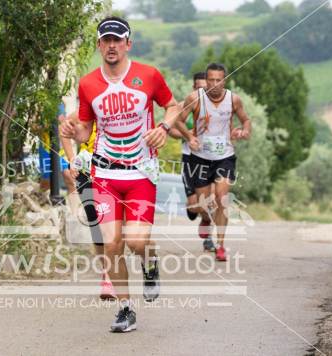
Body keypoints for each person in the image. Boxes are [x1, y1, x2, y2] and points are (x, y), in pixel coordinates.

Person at [60, 16, 177, 332]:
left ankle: (150, 264)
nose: (112, 46)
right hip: (105, 174)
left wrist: (164, 128)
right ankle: (126, 309)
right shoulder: (87, 84)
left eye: (117, 40)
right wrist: (75, 129)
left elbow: (174, 106)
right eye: (106, 40)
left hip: (140, 174)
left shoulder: (148, 75)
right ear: (99, 45)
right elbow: (85, 131)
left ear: (128, 43)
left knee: (137, 241)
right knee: (111, 243)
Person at [171, 63, 251, 262]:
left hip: (225, 156)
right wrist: (189, 137)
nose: (215, 84)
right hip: (200, 158)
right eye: (211, 80)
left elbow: (246, 120)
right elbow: (179, 121)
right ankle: (206, 218)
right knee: (205, 203)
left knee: (222, 197)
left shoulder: (234, 100)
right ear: (206, 81)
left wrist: (244, 131)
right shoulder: (195, 99)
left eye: (219, 80)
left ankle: (221, 245)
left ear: (225, 80)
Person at [59, 113, 115, 300]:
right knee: (96, 224)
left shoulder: (118, 114)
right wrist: (71, 158)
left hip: (112, 172)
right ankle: (105, 272)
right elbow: (63, 131)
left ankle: (109, 277)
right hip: (86, 172)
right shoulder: (81, 115)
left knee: (109, 224)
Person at [168, 72, 215, 252]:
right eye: (198, 87)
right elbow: (170, 129)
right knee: (194, 204)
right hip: (189, 159)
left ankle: (208, 234)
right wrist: (188, 136)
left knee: (208, 201)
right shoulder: (184, 106)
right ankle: (196, 212)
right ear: (193, 88)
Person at [37, 103, 76, 198]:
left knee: (70, 179)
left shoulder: (62, 103)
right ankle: (41, 198)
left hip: (61, 150)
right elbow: (34, 127)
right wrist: (46, 126)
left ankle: (74, 210)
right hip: (47, 149)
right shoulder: (42, 103)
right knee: (47, 183)